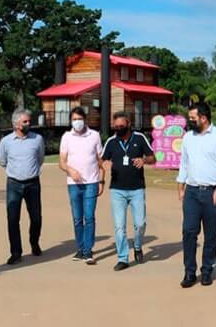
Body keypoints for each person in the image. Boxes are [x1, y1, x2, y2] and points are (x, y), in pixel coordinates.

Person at [176, 102, 216, 288]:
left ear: (203, 118)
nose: (190, 121)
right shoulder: (188, 138)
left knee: (211, 233)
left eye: (192, 118)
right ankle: (189, 272)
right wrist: (180, 185)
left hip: (213, 192)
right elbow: (184, 163)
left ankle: (207, 270)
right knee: (189, 231)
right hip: (192, 191)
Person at [102, 111, 155, 271]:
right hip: (117, 190)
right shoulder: (111, 141)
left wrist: (144, 160)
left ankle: (137, 246)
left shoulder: (139, 138)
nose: (118, 129)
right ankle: (123, 258)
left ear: (128, 124)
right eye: (115, 126)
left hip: (137, 189)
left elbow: (153, 157)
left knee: (140, 224)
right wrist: (105, 164)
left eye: (121, 126)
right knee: (119, 227)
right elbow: (102, 158)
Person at [0, 108, 45, 265]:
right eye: (25, 121)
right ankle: (16, 252)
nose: (28, 123)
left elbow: (40, 158)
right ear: (16, 124)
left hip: (33, 183)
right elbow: (3, 162)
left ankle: (34, 242)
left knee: (36, 218)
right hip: (14, 184)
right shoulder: (5, 142)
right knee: (12, 219)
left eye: (29, 121)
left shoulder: (37, 139)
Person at [59, 107, 104, 265]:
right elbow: (62, 162)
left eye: (79, 118)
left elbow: (100, 160)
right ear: (71, 121)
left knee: (89, 217)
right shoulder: (66, 137)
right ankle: (80, 248)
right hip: (74, 184)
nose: (77, 122)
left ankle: (88, 251)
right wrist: (70, 170)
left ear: (85, 119)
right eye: (74, 119)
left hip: (91, 182)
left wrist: (101, 180)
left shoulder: (94, 136)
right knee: (78, 218)